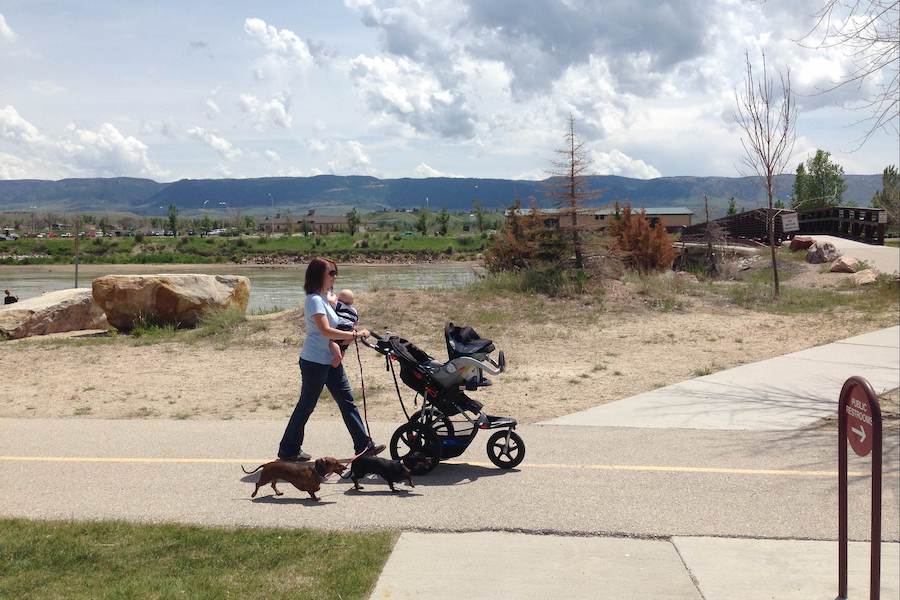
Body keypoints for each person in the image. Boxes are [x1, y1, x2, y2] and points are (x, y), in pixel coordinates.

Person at [277, 258, 384, 462]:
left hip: (330, 360)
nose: (335, 276)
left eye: (335, 272)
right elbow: (325, 331)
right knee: (306, 405)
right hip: (315, 361)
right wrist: (355, 335)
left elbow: (340, 320)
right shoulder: (314, 300)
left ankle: (364, 446)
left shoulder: (325, 297)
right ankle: (288, 450)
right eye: (331, 273)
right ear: (319, 275)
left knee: (347, 401)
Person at [327, 288, 358, 367]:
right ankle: (339, 360)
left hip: (340, 327)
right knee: (343, 347)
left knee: (332, 341)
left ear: (339, 299)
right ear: (352, 301)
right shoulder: (354, 311)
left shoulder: (339, 305)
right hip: (349, 329)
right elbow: (355, 321)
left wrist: (331, 294)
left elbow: (330, 301)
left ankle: (337, 355)